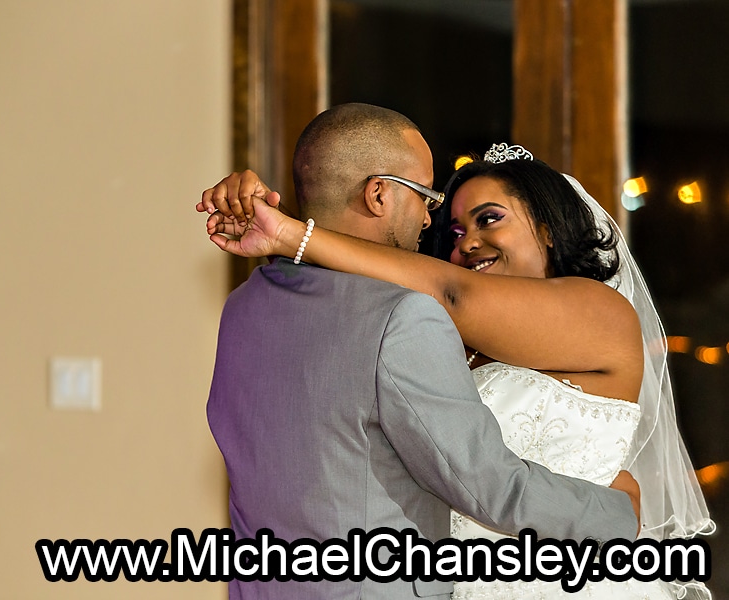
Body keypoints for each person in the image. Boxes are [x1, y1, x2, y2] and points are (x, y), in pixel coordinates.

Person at [200, 140, 714, 598]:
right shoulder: (446, 334)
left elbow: (452, 291)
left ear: (547, 226)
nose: (464, 242)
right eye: (455, 229)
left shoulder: (599, 310)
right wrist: (268, 216)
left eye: (490, 219)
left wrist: (290, 233)